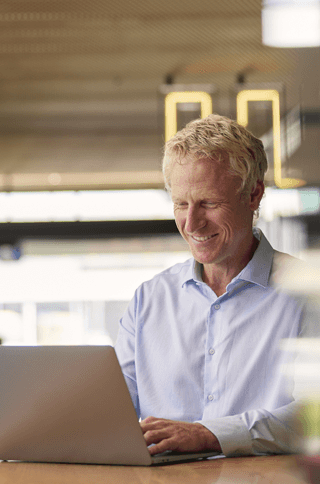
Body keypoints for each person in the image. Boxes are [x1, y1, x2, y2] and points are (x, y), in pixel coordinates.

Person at [114, 114, 304, 456]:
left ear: (253, 194)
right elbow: (112, 415)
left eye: (209, 203)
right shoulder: (149, 299)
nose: (191, 223)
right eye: (181, 204)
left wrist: (211, 435)